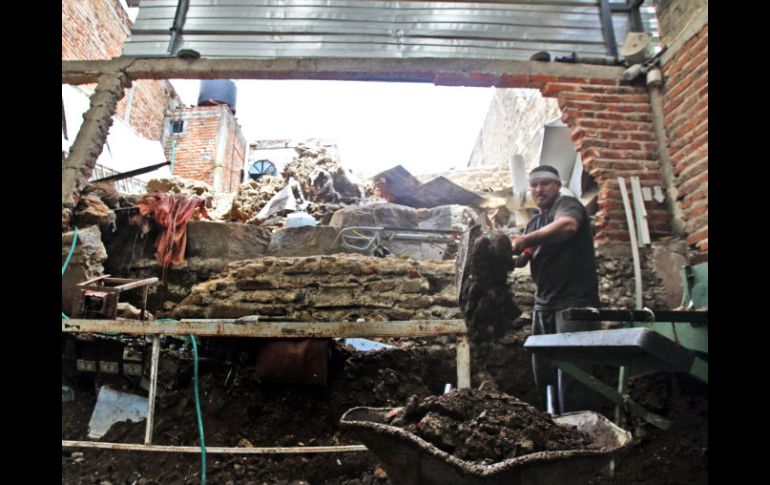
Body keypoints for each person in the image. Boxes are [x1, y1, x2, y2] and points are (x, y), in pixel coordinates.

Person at [509, 165, 601, 414]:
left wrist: (525, 240)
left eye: (545, 184)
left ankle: (583, 430)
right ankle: (553, 423)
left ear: (557, 185)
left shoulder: (567, 205)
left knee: (574, 372)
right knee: (544, 369)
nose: (539, 189)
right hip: (544, 305)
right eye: (534, 185)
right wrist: (501, 251)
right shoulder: (534, 223)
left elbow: (568, 226)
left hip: (574, 303)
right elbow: (522, 258)